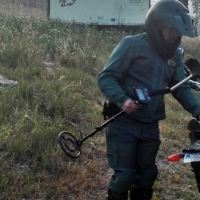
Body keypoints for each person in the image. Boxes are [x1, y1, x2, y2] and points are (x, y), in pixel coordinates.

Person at [97, 0, 200, 199]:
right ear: (157, 25)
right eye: (173, 31)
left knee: (147, 176)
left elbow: (181, 88)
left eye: (179, 33)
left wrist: (198, 110)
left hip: (150, 124)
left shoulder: (175, 56)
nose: (177, 37)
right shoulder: (131, 45)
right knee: (124, 175)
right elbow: (106, 78)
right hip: (123, 122)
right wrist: (123, 99)